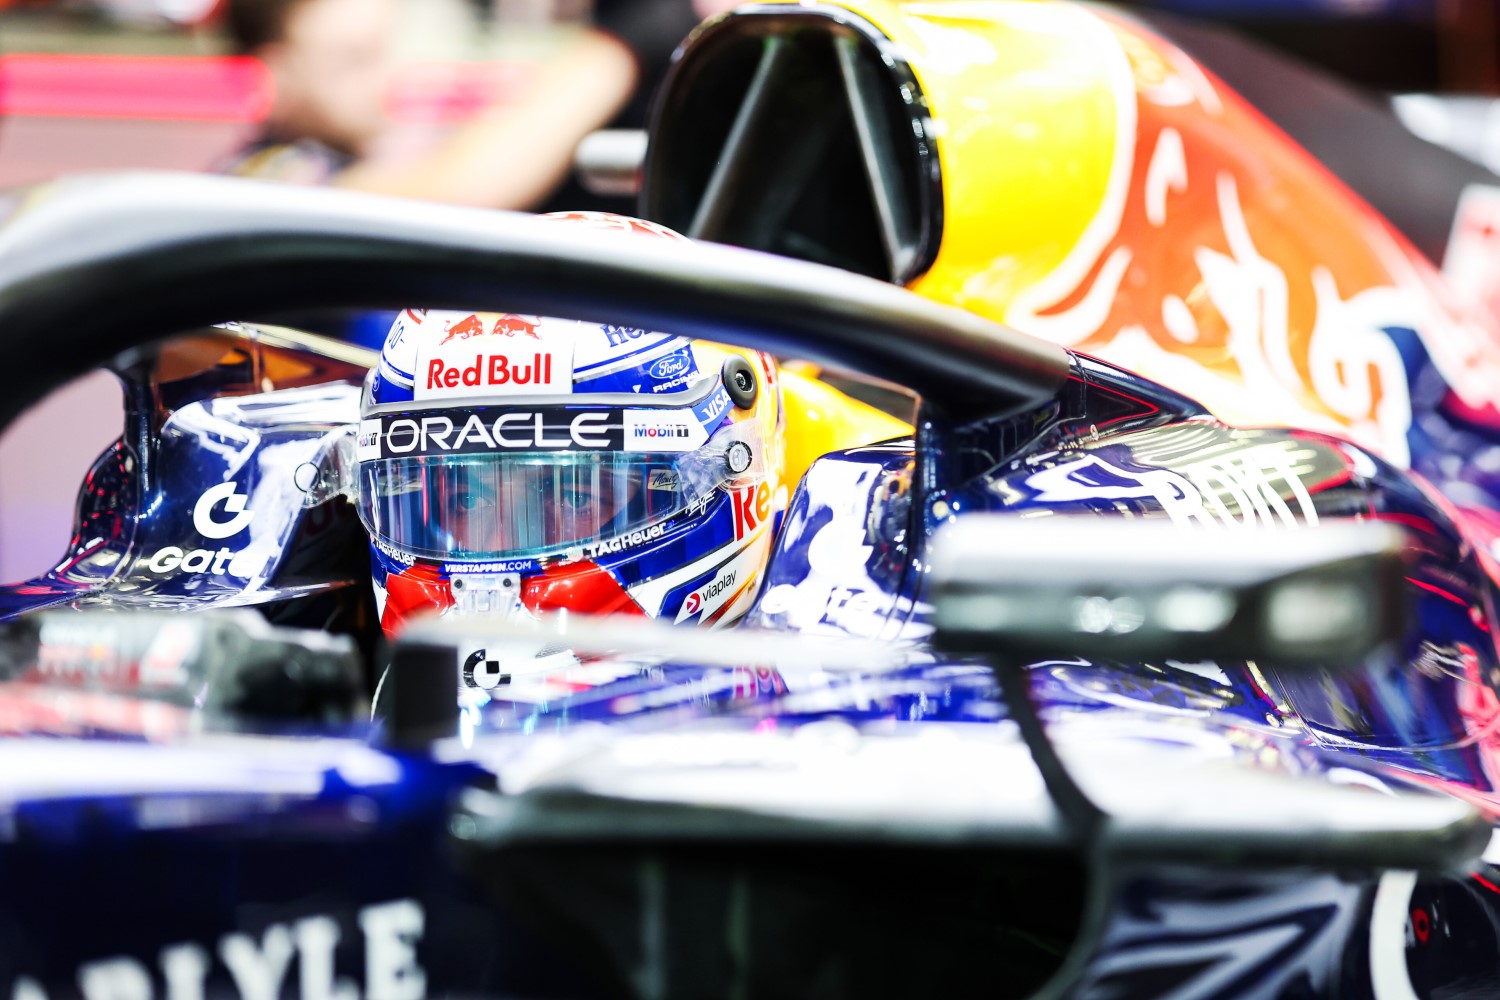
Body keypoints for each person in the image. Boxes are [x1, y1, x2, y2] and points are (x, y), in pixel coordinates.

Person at [222, 0, 636, 209]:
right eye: (354, 61)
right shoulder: (264, 178)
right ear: (278, 72)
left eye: (386, 50)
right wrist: (622, 48)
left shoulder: (382, 152)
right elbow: (453, 192)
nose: (384, 80)